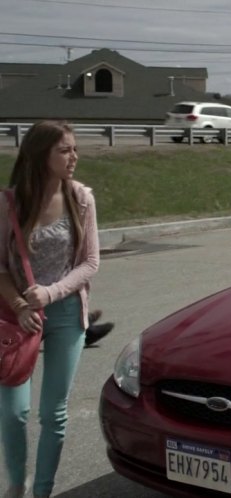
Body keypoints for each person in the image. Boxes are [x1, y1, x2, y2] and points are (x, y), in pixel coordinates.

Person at [0, 121, 99, 498]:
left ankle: (42, 490)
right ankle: (15, 484)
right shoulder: (9, 203)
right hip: (16, 315)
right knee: (13, 412)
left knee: (53, 413)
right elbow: (0, 267)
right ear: (41, 154)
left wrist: (52, 293)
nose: (74, 157)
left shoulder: (81, 198)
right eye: (65, 150)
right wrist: (21, 303)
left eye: (74, 149)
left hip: (65, 313)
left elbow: (90, 262)